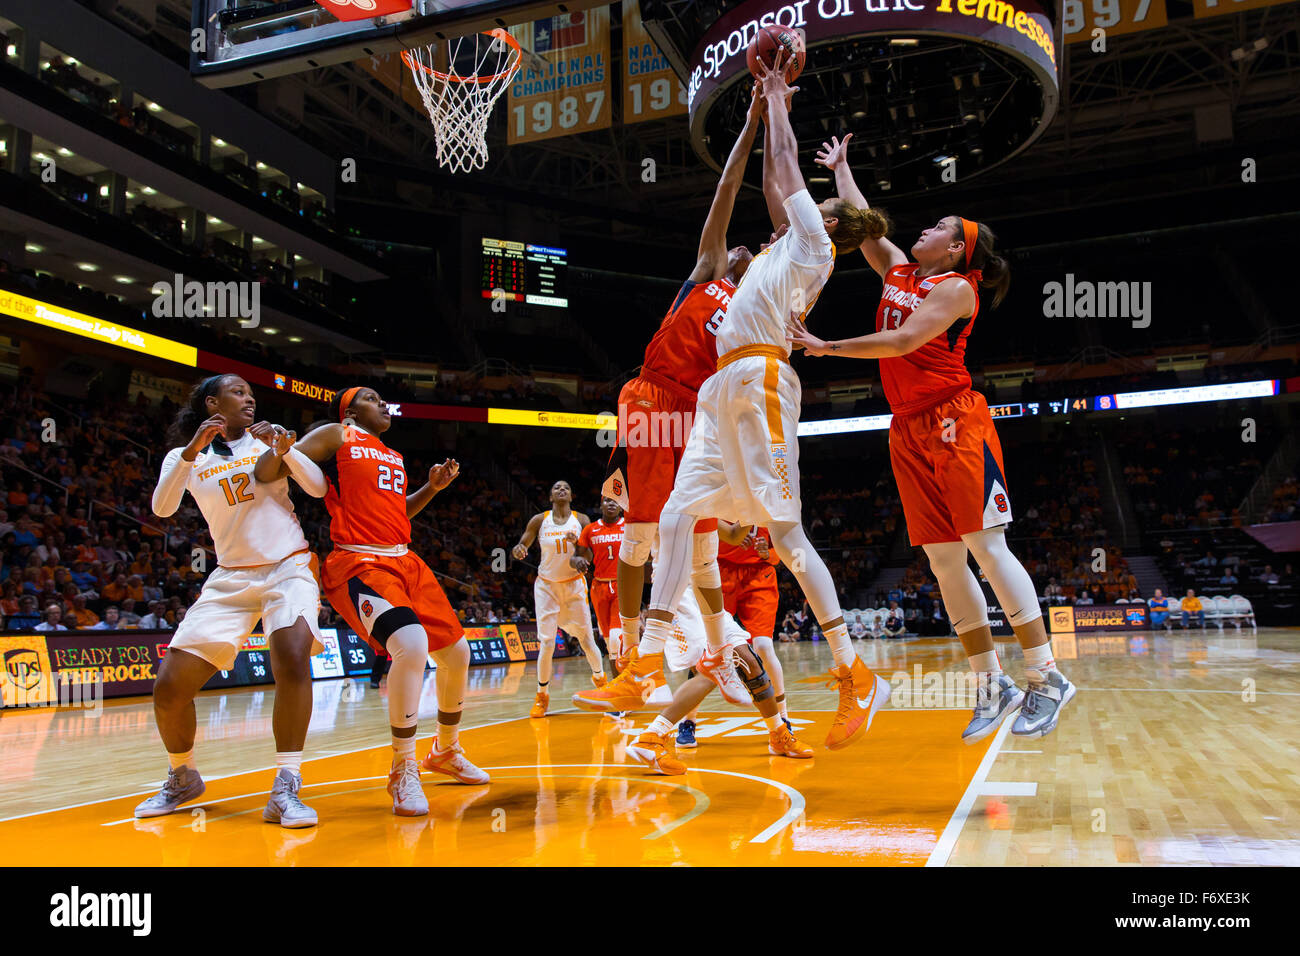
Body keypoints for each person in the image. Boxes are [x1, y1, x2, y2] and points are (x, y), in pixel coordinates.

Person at [579, 55, 891, 753]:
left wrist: (778, 99)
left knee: (786, 536)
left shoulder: (812, 246)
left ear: (827, 223)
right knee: (679, 514)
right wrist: (756, 112)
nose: (785, 211)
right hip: (717, 389)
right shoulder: (779, 250)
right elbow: (768, 183)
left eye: (811, 206)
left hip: (759, 383)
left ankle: (851, 670)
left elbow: (784, 170)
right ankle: (643, 660)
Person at [789, 132, 1075, 744]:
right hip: (908, 428)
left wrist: (825, 345)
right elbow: (865, 224)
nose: (927, 227)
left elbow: (900, 342)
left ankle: (1046, 675)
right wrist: (843, 168)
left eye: (942, 225)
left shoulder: (957, 289)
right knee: (944, 560)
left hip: (954, 419)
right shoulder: (898, 270)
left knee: (984, 546)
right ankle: (989, 682)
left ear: (956, 249)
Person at [589, 86, 763, 705]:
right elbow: (725, 195)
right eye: (739, 244)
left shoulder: (755, 311)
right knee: (641, 534)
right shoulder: (711, 272)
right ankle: (630, 658)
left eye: (755, 247)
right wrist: (751, 125)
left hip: (699, 417)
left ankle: (716, 651)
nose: (741, 245)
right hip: (653, 399)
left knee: (701, 543)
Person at [137, 374, 324, 828]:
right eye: (238, 392)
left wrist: (285, 450)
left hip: (288, 565)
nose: (249, 399)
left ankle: (286, 786)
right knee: (169, 689)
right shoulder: (184, 457)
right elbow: (162, 508)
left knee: (293, 658)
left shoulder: (267, 443)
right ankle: (183, 776)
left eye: (251, 394)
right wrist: (190, 451)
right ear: (212, 402)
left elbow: (317, 488)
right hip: (230, 578)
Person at [294, 385, 489, 816]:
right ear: (349, 411)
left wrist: (432, 488)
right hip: (360, 561)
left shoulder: (391, 454)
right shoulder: (337, 435)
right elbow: (290, 461)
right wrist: (278, 453)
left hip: (405, 559)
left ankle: (445, 751)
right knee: (412, 646)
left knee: (457, 654)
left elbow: (398, 514)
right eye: (370, 398)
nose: (383, 404)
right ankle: (403, 767)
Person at [625, 585, 813, 774]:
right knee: (710, 671)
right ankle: (651, 736)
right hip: (680, 597)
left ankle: (778, 735)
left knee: (749, 662)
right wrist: (630, 633)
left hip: (707, 593)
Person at [510, 480, 608, 718]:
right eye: (556, 488)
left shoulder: (582, 520)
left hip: (573, 586)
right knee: (547, 643)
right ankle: (542, 696)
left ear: (571, 495)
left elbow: (589, 552)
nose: (561, 489)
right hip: (547, 587)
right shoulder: (539, 520)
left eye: (565, 487)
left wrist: (581, 553)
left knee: (586, 639)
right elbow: (523, 543)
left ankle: (602, 683)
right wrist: (518, 549)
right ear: (551, 497)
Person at [718, 520, 791, 725]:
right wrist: (729, 539)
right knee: (705, 648)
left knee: (764, 646)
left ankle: (783, 715)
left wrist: (767, 554)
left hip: (759, 575)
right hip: (721, 572)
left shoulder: (767, 504)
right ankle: (689, 722)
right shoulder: (717, 501)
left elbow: (783, 551)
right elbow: (701, 540)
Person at [571, 497, 626, 668]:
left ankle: (627, 678)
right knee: (609, 643)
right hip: (599, 586)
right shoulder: (590, 529)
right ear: (600, 505)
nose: (611, 504)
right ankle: (617, 685)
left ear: (622, 507)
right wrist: (578, 561)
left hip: (622, 585)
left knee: (617, 637)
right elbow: (576, 556)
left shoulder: (629, 527)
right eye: (608, 500)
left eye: (616, 501)